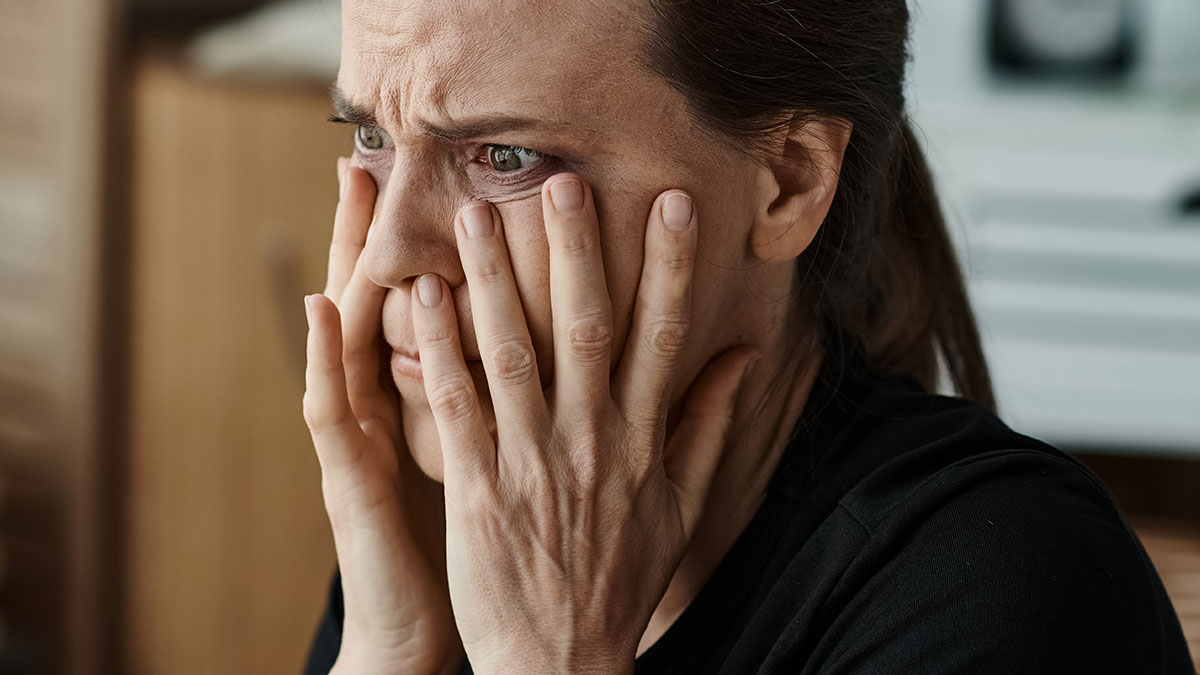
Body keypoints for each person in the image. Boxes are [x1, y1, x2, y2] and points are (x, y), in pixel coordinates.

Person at [301, 0, 1195, 673]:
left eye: (505, 158)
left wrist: (553, 657)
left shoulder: (1005, 592)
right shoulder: (456, 533)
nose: (385, 257)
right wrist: (388, 650)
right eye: (372, 134)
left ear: (789, 182)